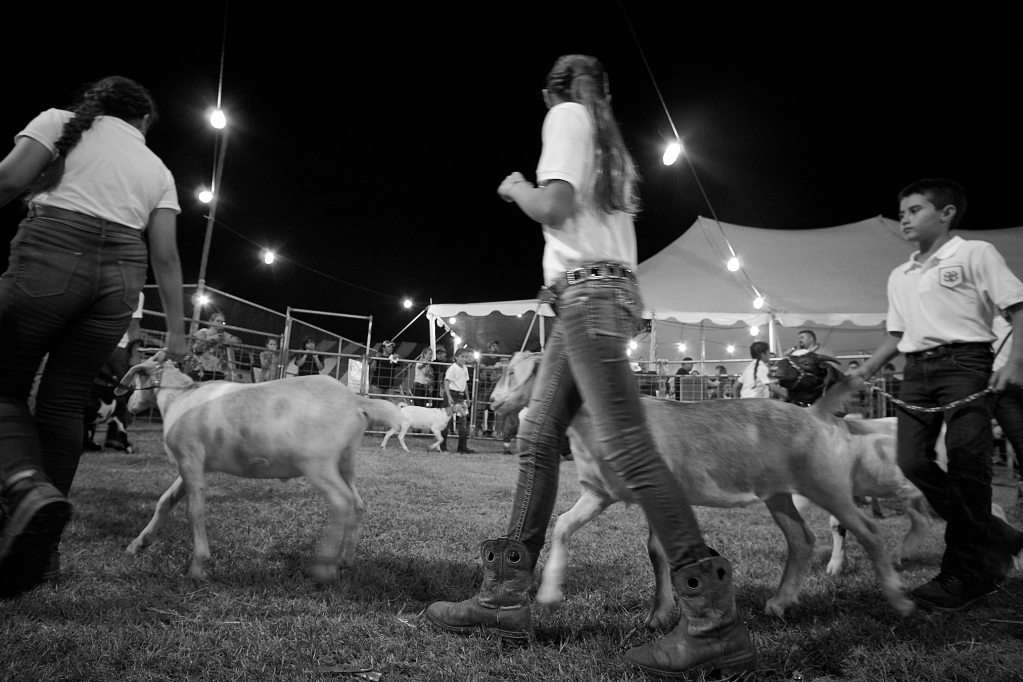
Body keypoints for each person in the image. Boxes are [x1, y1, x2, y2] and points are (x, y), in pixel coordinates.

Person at [425, 55, 755, 678]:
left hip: (587, 302)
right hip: (592, 299)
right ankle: (504, 598)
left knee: (630, 450)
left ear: (553, 93)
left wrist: (515, 187)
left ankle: (715, 625)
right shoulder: (610, 144)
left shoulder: (568, 119)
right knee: (537, 436)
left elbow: (552, 207)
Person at [0, 76, 187, 598]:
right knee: (62, 406)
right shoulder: (158, 169)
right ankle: (45, 552)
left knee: (6, 385)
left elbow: (8, 182)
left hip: (54, 251)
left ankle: (21, 486)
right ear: (142, 120)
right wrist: (176, 330)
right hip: (122, 277)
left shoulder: (58, 123)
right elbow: (166, 255)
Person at [851, 178, 1023, 611]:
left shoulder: (974, 253)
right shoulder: (900, 274)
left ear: (945, 213)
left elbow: (1017, 308)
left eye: (914, 210)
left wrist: (1015, 365)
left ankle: (965, 575)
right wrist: (866, 369)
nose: (904, 218)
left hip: (966, 365)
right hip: (917, 370)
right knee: (911, 461)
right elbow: (898, 333)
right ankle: (996, 537)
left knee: (968, 465)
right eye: (903, 211)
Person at [191, 310, 239, 381]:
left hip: (218, 369)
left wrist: (225, 338)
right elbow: (197, 349)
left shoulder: (223, 335)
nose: (220, 323)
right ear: (211, 321)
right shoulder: (203, 332)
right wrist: (210, 339)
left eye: (222, 322)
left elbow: (237, 341)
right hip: (201, 368)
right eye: (218, 321)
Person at [444, 348, 475, 454]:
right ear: (456, 357)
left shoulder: (465, 368)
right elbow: (446, 383)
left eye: (466, 357)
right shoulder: (452, 368)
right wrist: (448, 397)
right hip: (452, 394)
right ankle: (442, 446)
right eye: (462, 356)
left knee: (463, 422)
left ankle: (462, 446)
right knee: (446, 421)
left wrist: (467, 397)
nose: (464, 359)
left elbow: (465, 383)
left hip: (460, 396)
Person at [432, 346, 451, 451]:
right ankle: (435, 429)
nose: (439, 355)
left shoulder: (450, 363)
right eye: (438, 353)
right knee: (435, 408)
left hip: (445, 389)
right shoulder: (434, 363)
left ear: (445, 353)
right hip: (436, 389)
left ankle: (446, 429)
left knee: (445, 410)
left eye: (441, 353)